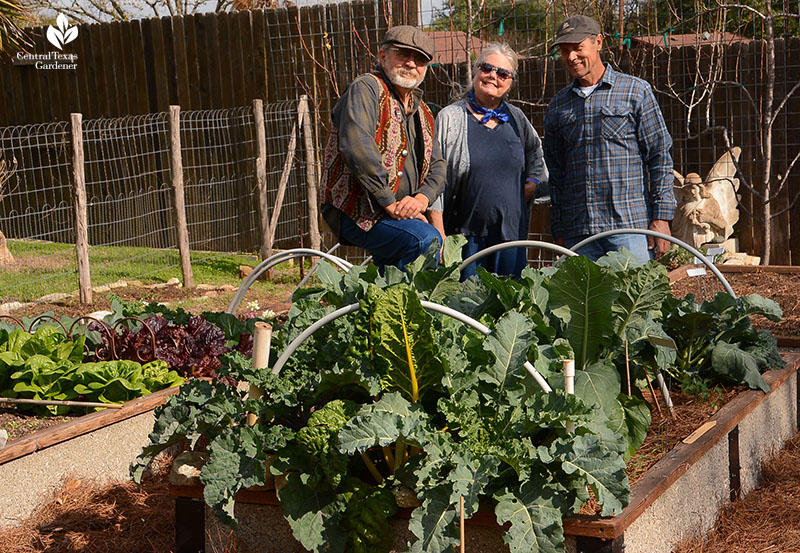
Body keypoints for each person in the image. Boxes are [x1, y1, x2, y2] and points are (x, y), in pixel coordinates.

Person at [543, 15, 676, 263]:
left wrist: (661, 217)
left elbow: (659, 157)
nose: (571, 57)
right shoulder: (558, 106)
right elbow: (557, 174)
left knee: (632, 299)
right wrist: (559, 228)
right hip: (578, 233)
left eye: (577, 48)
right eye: (564, 51)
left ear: (599, 43)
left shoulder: (636, 92)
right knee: (582, 301)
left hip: (629, 229)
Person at [319, 25, 446, 272]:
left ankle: (382, 304)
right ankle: (403, 305)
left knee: (402, 264)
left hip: (402, 213)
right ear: (383, 55)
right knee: (424, 239)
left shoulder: (423, 112)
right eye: (403, 54)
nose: (411, 63)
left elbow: (439, 166)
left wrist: (421, 199)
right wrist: (391, 204)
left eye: (420, 59)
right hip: (359, 210)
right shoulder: (366, 88)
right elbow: (357, 148)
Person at [429, 43, 548, 278]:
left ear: (510, 82)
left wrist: (533, 182)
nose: (493, 76)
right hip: (465, 239)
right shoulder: (450, 119)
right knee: (465, 307)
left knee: (510, 306)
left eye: (503, 73)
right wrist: (439, 234)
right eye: (487, 68)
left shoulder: (517, 119)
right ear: (476, 70)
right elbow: (435, 179)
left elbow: (536, 155)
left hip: (511, 238)